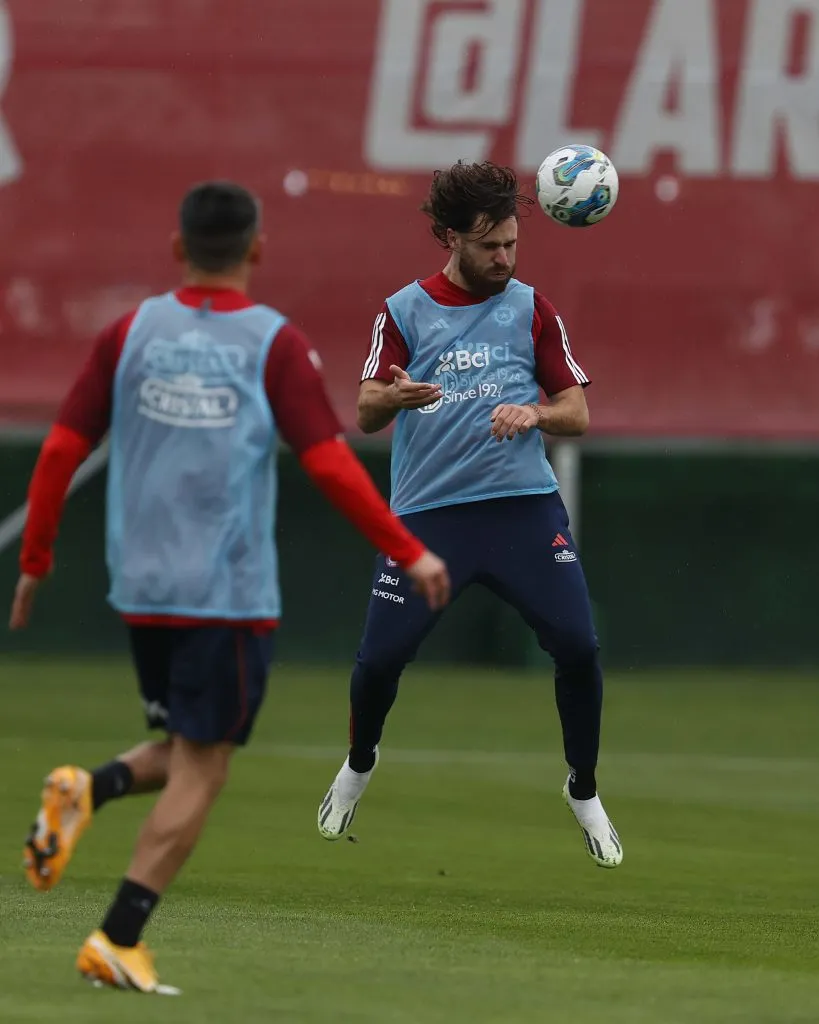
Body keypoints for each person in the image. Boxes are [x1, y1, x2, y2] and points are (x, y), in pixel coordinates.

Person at [9, 180, 450, 994]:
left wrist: (36, 562)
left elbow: (60, 451)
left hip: (141, 587)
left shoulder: (127, 332)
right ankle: (118, 936)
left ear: (178, 249)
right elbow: (327, 462)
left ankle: (87, 788)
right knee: (204, 768)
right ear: (256, 250)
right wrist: (409, 550)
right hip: (227, 592)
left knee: (185, 744)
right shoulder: (273, 344)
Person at [317, 161, 622, 870]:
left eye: (511, 244)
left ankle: (583, 789)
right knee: (380, 661)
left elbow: (574, 411)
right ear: (450, 237)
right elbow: (363, 411)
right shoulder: (402, 311)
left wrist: (535, 411)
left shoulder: (531, 308)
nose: (503, 259)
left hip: (520, 512)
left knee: (578, 645)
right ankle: (359, 763)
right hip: (429, 519)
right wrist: (395, 398)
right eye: (489, 246)